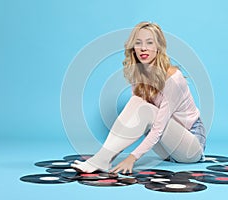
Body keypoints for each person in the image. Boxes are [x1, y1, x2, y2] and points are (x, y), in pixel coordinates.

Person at [71, 22, 206, 174]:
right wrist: (109, 156)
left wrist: (132, 158)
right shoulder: (139, 75)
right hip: (166, 150)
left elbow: (158, 128)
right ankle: (102, 158)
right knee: (137, 101)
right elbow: (136, 121)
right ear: (133, 48)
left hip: (190, 148)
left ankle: (101, 158)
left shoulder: (173, 79)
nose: (143, 48)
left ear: (158, 47)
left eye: (150, 42)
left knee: (146, 110)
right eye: (138, 43)